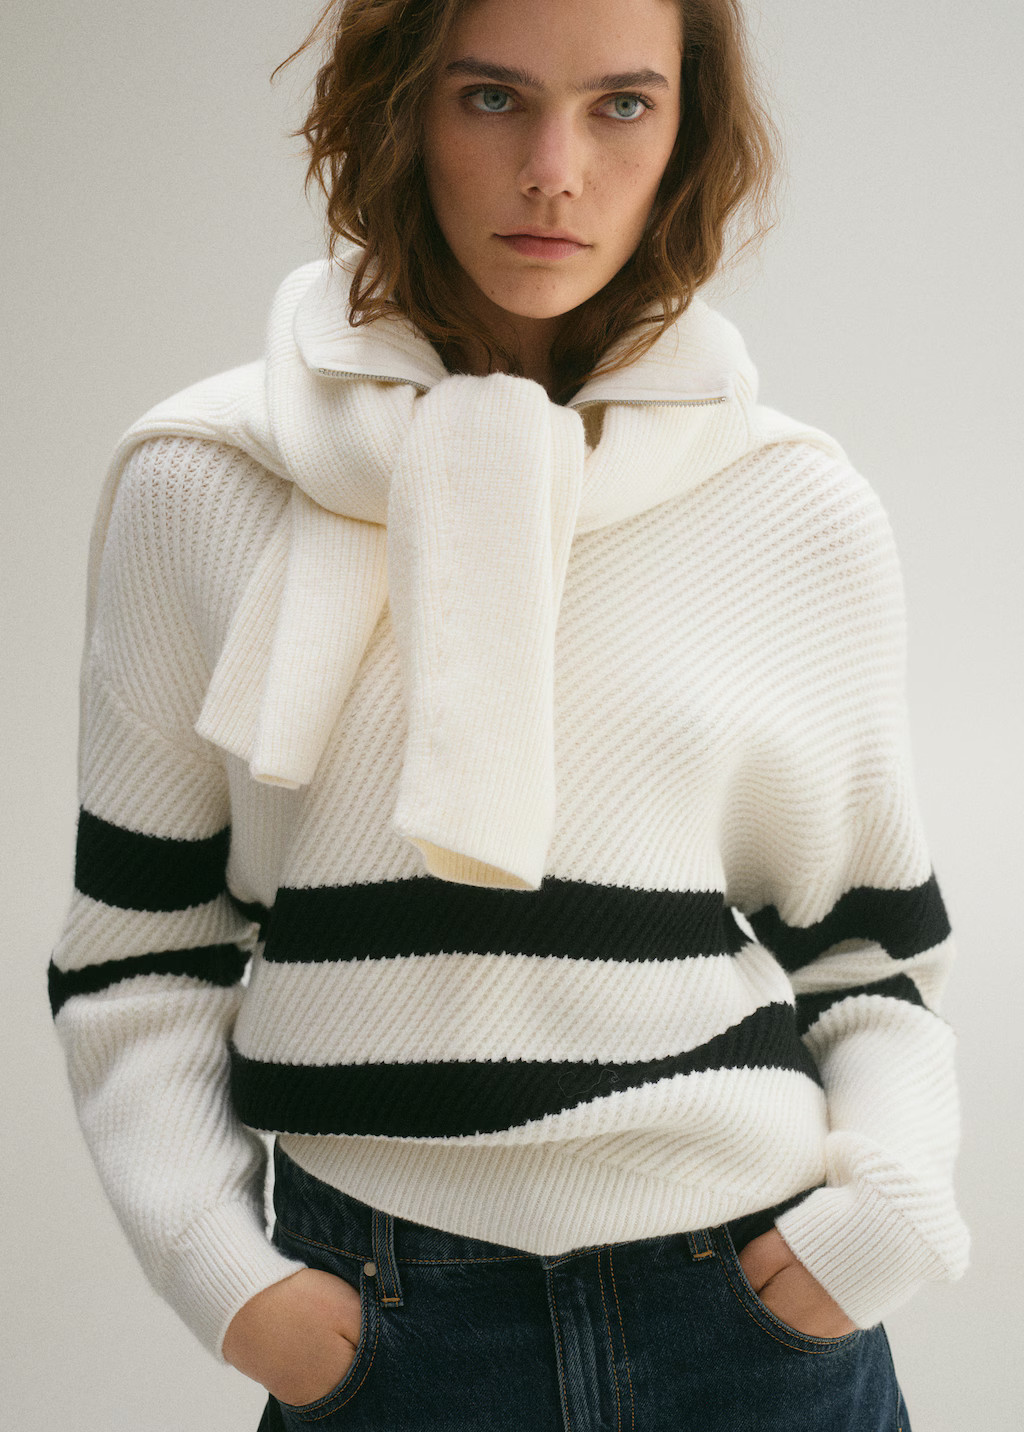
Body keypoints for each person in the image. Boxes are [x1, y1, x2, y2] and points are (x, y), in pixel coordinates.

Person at [48, 0, 970, 1427]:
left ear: (687, 134)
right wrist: (227, 1282)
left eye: (621, 105)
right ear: (401, 109)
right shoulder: (207, 480)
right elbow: (139, 949)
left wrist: (877, 1223)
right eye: (492, 98)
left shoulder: (793, 506)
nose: (554, 169)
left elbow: (868, 957)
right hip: (385, 1325)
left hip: (750, 1317)